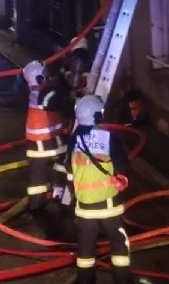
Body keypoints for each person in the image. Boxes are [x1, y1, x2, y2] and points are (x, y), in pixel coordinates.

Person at [68, 95, 132, 284]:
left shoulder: (74, 139)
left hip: (84, 208)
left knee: (85, 250)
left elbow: (69, 168)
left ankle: (85, 281)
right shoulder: (109, 137)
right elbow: (122, 166)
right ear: (97, 116)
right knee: (119, 245)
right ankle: (123, 280)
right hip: (109, 206)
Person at [22, 60, 72, 210]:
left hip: (37, 141)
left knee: (37, 175)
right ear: (39, 78)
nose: (48, 76)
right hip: (47, 140)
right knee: (66, 159)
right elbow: (62, 104)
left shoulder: (35, 91)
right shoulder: (45, 93)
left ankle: (36, 204)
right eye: (45, 74)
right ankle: (60, 192)